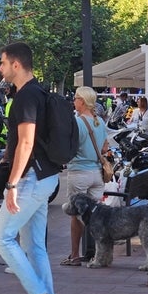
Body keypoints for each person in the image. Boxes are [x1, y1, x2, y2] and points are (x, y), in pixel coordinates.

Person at [0, 42, 59, 294]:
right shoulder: (38, 91)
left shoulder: (25, 96)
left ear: (16, 65)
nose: (0, 68)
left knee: (1, 238)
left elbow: (26, 141)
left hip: (31, 179)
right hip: (46, 176)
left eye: (3, 63)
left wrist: (12, 184)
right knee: (33, 246)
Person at [61, 86, 108, 266]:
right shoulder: (100, 122)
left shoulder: (76, 122)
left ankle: (75, 255)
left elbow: (68, 147)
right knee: (96, 214)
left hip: (79, 172)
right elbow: (104, 148)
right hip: (97, 174)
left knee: (77, 215)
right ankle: (99, 254)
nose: (73, 101)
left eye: (75, 98)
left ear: (82, 101)